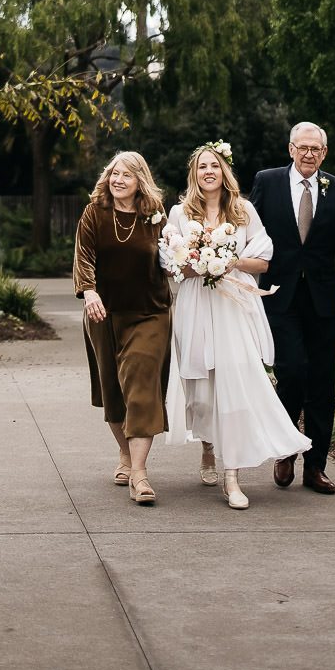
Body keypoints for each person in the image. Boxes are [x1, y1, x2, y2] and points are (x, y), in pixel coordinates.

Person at [162, 141, 311, 509]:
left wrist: (230, 263)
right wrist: (193, 264)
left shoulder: (243, 211)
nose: (208, 172)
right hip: (196, 306)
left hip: (233, 308)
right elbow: (169, 264)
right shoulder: (180, 213)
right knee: (201, 388)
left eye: (214, 165)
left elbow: (263, 261)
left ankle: (232, 478)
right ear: (194, 174)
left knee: (234, 385)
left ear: (224, 171)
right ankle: (208, 449)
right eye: (201, 167)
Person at [248, 121, 335, 495]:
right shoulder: (267, 182)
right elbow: (247, 230)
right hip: (278, 295)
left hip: (322, 300)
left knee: (321, 381)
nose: (308, 155)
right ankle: (285, 450)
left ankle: (315, 466)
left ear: (324, 153)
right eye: (302, 148)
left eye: (315, 150)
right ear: (290, 149)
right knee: (292, 372)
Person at [74, 151, 172, 505]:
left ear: (139, 181)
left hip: (150, 313)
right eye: (114, 173)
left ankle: (140, 475)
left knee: (142, 385)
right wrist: (89, 293)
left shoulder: (156, 217)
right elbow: (83, 256)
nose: (118, 180)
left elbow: (172, 258)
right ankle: (126, 456)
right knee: (113, 390)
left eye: (126, 175)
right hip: (104, 313)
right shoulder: (94, 213)